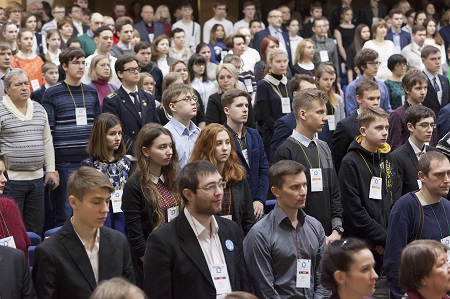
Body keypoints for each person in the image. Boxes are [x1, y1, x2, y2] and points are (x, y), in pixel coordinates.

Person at [143, 160, 250, 297]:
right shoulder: (163, 241)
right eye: (210, 187)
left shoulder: (231, 229)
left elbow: (243, 283)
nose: (219, 192)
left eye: (220, 184)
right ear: (188, 194)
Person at [32, 167, 135, 299]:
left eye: (107, 201)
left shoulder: (118, 241)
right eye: (96, 202)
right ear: (73, 202)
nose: (105, 209)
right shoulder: (49, 252)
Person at [244, 159, 330, 298]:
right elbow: (265, 289)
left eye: (304, 185)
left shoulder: (315, 226)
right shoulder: (260, 234)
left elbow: (324, 278)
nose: (303, 192)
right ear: (276, 191)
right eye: (295, 187)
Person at [339, 106, 402, 285]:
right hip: (363, 243)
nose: (385, 133)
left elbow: (395, 199)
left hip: (387, 241)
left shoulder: (389, 158)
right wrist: (384, 238)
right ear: (363, 131)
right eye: (379, 128)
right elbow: (354, 211)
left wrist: (389, 236)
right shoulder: (350, 162)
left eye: (386, 128)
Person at [42, 47, 101, 227]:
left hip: (89, 160)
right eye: (76, 63)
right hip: (64, 163)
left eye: (83, 62)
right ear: (64, 66)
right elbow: (48, 132)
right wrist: (50, 166)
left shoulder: (90, 92)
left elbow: (98, 128)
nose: (81, 66)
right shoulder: (52, 93)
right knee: (67, 212)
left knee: (90, 209)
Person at [273, 88, 343, 240]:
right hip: (299, 236)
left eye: (325, 112)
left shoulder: (324, 147)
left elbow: (335, 193)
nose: (325, 118)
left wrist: (336, 229)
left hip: (330, 235)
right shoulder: (286, 150)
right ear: (303, 114)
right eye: (319, 112)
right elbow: (287, 200)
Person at [0, 68, 58, 236]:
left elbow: (47, 141)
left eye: (26, 83)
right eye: (18, 85)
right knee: (12, 230)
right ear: (7, 89)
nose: (24, 87)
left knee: (35, 230)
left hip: (37, 179)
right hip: (11, 180)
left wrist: (52, 170)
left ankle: (32, 262)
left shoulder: (39, 109)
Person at [122, 123, 180, 287]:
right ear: (146, 151)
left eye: (170, 146)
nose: (169, 151)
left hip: (178, 253)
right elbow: (137, 239)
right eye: (162, 147)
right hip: (151, 262)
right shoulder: (133, 186)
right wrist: (156, 266)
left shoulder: (175, 177)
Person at [190, 124, 255, 234]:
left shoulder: (239, 176)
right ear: (206, 147)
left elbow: (248, 220)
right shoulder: (195, 178)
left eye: (227, 142)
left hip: (236, 240)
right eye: (218, 144)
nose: (225, 148)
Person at [222, 89, 268, 220]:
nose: (245, 109)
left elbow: (263, 169)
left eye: (247, 105)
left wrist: (260, 199)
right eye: (239, 106)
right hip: (232, 204)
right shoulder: (219, 136)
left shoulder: (254, 134)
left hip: (256, 205)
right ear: (227, 110)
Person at [81, 113, 130, 235]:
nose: (118, 138)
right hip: (103, 215)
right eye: (112, 134)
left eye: (119, 133)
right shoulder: (89, 166)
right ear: (100, 137)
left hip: (123, 212)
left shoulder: (126, 162)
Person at [103, 55, 160, 155]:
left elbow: (156, 125)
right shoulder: (112, 100)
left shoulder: (148, 97)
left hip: (150, 152)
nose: (136, 72)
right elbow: (114, 130)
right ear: (120, 74)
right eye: (131, 69)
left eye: (137, 68)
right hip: (127, 153)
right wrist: (138, 151)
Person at [333, 80, 381, 172]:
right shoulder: (345, 126)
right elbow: (338, 161)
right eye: (371, 99)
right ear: (359, 99)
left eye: (378, 98)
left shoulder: (384, 123)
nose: (376, 102)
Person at [391, 105, 436, 196]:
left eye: (432, 125)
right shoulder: (397, 157)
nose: (430, 130)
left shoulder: (436, 154)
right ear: (410, 127)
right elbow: (396, 196)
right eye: (424, 125)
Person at [255, 48, 291, 158]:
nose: (282, 64)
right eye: (278, 61)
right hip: (273, 133)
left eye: (285, 61)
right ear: (270, 63)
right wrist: (281, 131)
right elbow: (266, 116)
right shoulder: (263, 85)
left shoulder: (288, 83)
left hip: (291, 131)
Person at [387, 70, 429, 150]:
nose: (423, 92)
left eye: (425, 88)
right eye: (418, 88)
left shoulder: (429, 113)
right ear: (406, 89)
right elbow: (394, 147)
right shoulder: (397, 115)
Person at [162, 84, 201, 168]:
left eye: (194, 98)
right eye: (186, 99)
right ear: (173, 106)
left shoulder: (200, 133)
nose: (194, 102)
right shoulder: (165, 134)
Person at [345, 48, 392, 116]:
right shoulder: (353, 87)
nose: (376, 66)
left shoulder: (382, 85)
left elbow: (387, 110)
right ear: (363, 66)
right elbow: (351, 112)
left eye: (377, 63)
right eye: (371, 63)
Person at [206, 63, 255, 128]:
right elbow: (212, 126)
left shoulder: (245, 97)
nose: (226, 80)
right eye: (221, 78)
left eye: (229, 77)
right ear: (217, 80)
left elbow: (251, 123)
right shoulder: (214, 99)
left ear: (235, 78)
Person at [422, 45, 450, 119]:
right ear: (423, 60)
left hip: (445, 122)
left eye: (439, 58)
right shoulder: (418, 80)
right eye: (433, 59)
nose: (437, 62)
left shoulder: (445, 80)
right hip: (426, 122)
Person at [315, 63, 345, 131]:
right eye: (325, 79)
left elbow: (342, 120)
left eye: (331, 79)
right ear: (317, 80)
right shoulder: (314, 99)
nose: (329, 83)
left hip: (335, 134)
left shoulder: (338, 98)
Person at [311, 17, 340, 83]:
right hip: (315, 77)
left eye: (324, 26)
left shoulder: (332, 42)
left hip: (330, 77)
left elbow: (335, 61)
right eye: (319, 26)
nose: (322, 28)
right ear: (313, 29)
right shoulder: (310, 43)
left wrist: (337, 80)